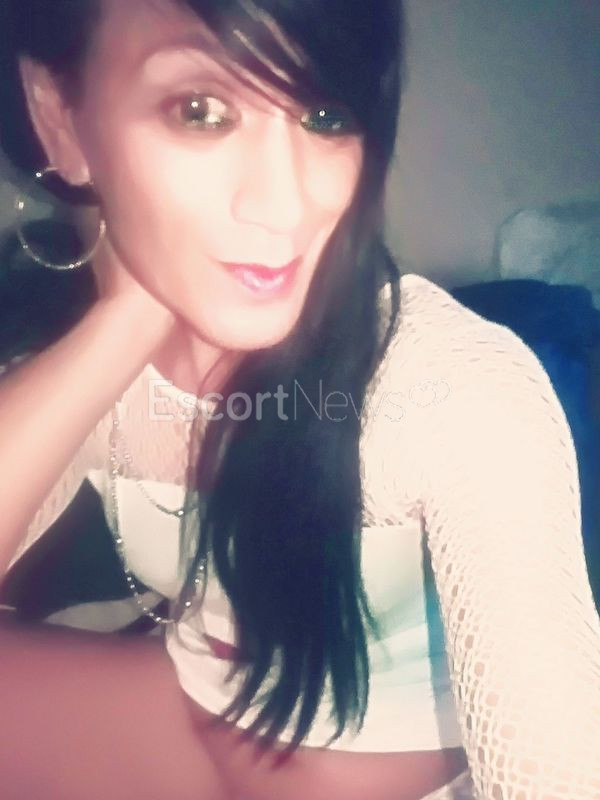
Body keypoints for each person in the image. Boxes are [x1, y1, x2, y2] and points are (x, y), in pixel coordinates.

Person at [0, 1, 598, 798]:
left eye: (324, 115)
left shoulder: (453, 386)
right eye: (201, 111)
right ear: (58, 119)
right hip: (185, 714)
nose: (286, 206)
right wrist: (125, 319)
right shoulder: (108, 367)